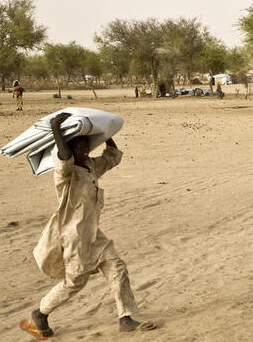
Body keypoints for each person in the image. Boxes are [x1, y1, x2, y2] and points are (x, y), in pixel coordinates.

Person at [19, 112, 156, 339]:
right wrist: (56, 129)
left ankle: (126, 318)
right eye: (78, 147)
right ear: (70, 150)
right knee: (75, 283)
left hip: (93, 234)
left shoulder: (91, 166)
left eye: (86, 146)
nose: (83, 150)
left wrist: (106, 132)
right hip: (73, 237)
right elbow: (63, 156)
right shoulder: (65, 174)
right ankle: (40, 313)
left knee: (117, 267)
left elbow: (112, 157)